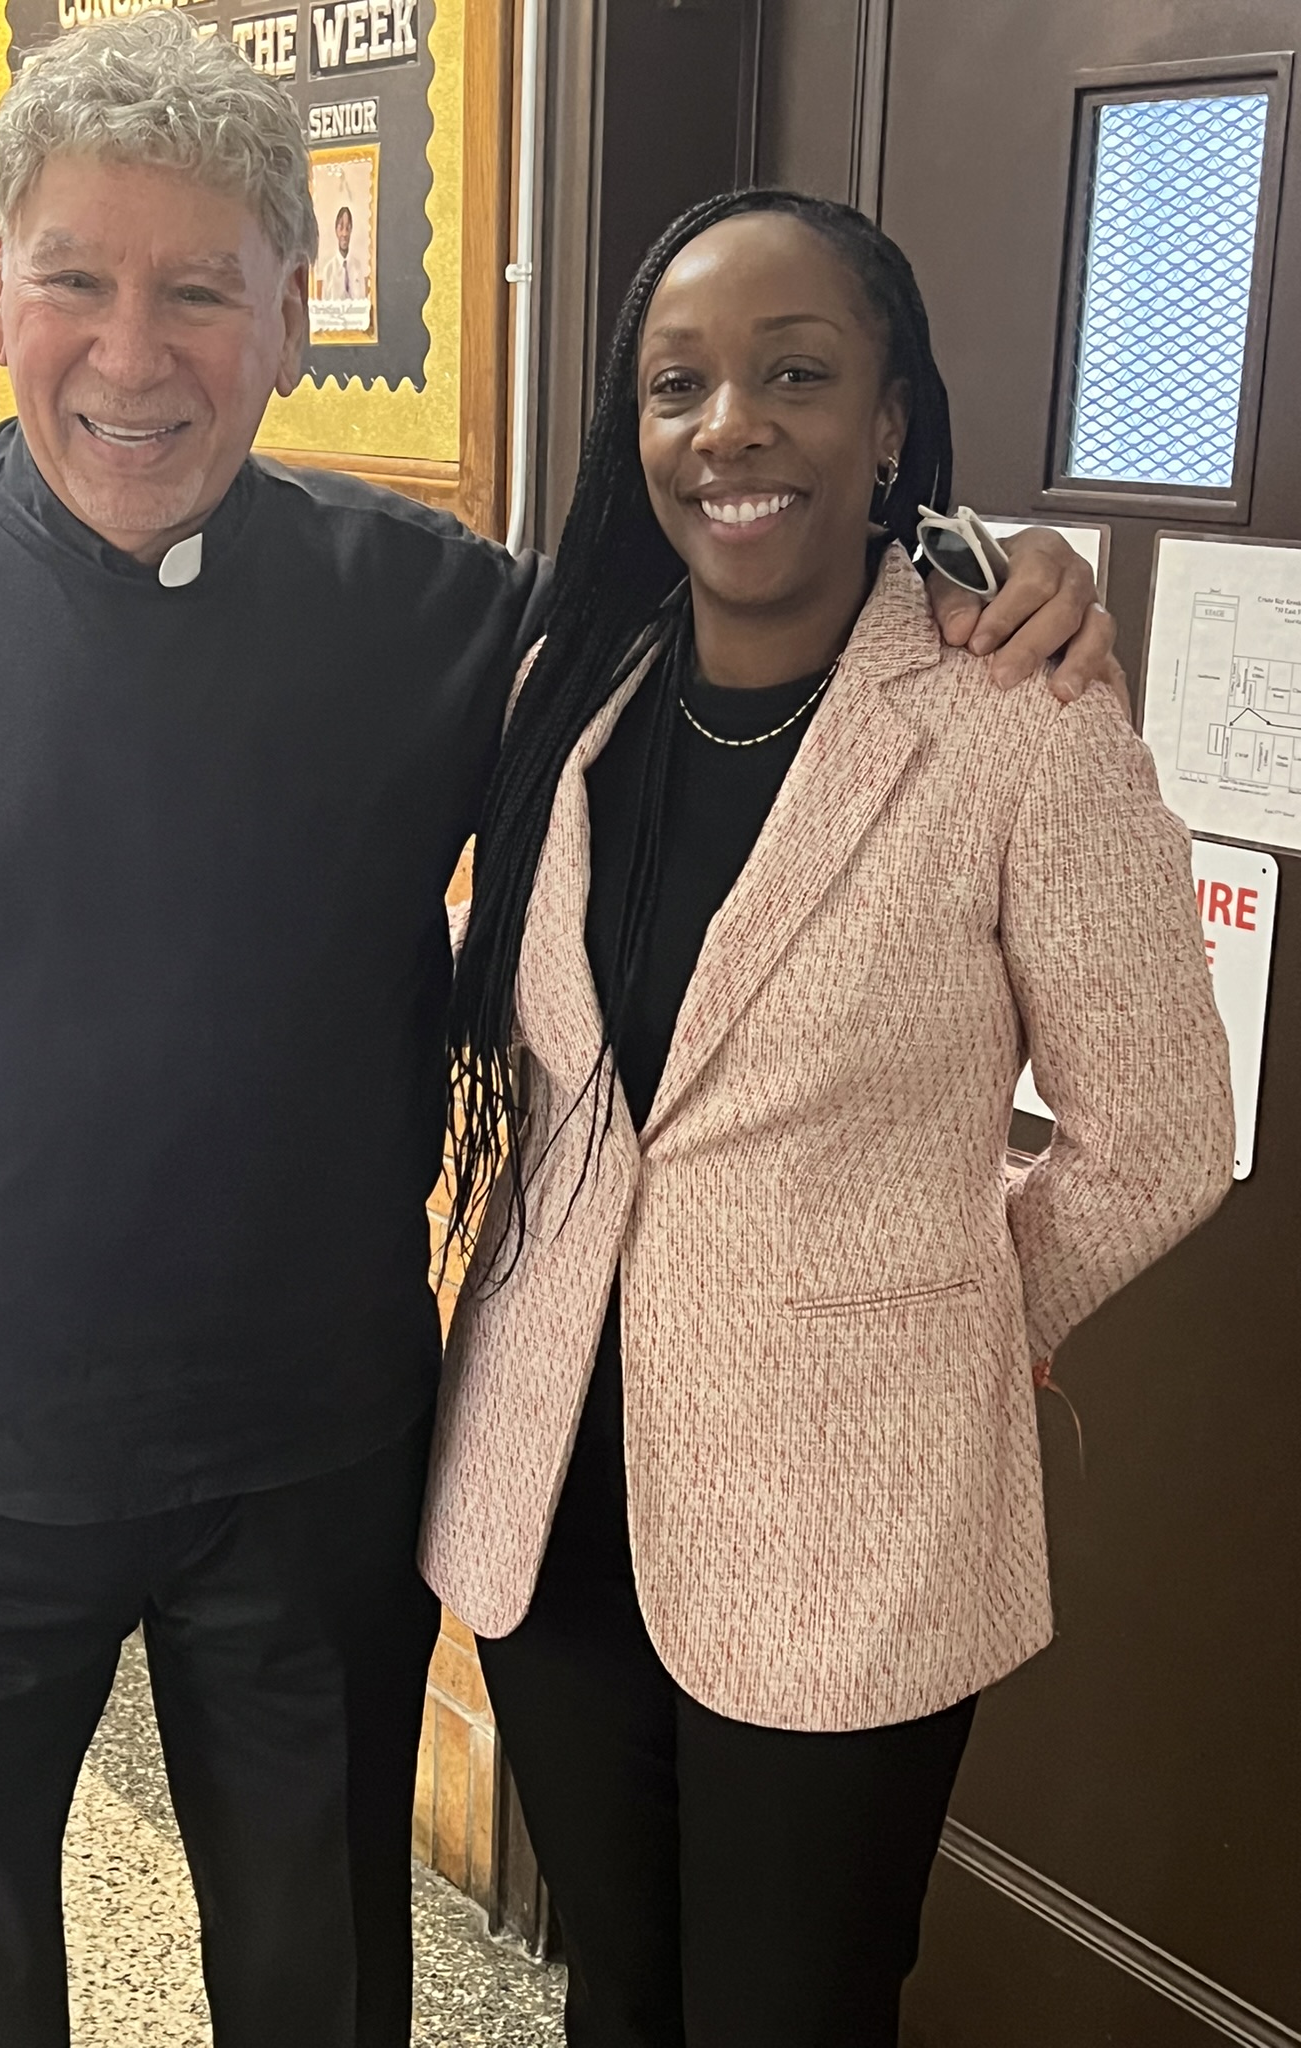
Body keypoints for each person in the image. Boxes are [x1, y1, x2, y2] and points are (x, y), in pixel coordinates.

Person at [0, 13, 1115, 2044]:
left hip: (310, 1463)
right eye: (75, 279)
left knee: (323, 1984)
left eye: (198, 289)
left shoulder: (446, 611)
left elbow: (744, 579)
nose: (131, 354)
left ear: (290, 314)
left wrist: (983, 559)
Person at [419, 189, 1235, 2048]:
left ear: (888, 422)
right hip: (551, 1496)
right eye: (678, 384)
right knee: (619, 1993)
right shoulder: (574, 694)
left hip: (851, 1518)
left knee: (796, 2010)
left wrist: (946, 1315)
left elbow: (1160, 1132)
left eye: (796, 375)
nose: (732, 427)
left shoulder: (1018, 717)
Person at [322, 202, 369, 302]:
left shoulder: (357, 267)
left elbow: (362, 302)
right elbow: (325, 305)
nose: (344, 233)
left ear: (351, 230)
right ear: (336, 230)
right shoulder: (329, 270)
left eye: (347, 228)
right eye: (341, 227)